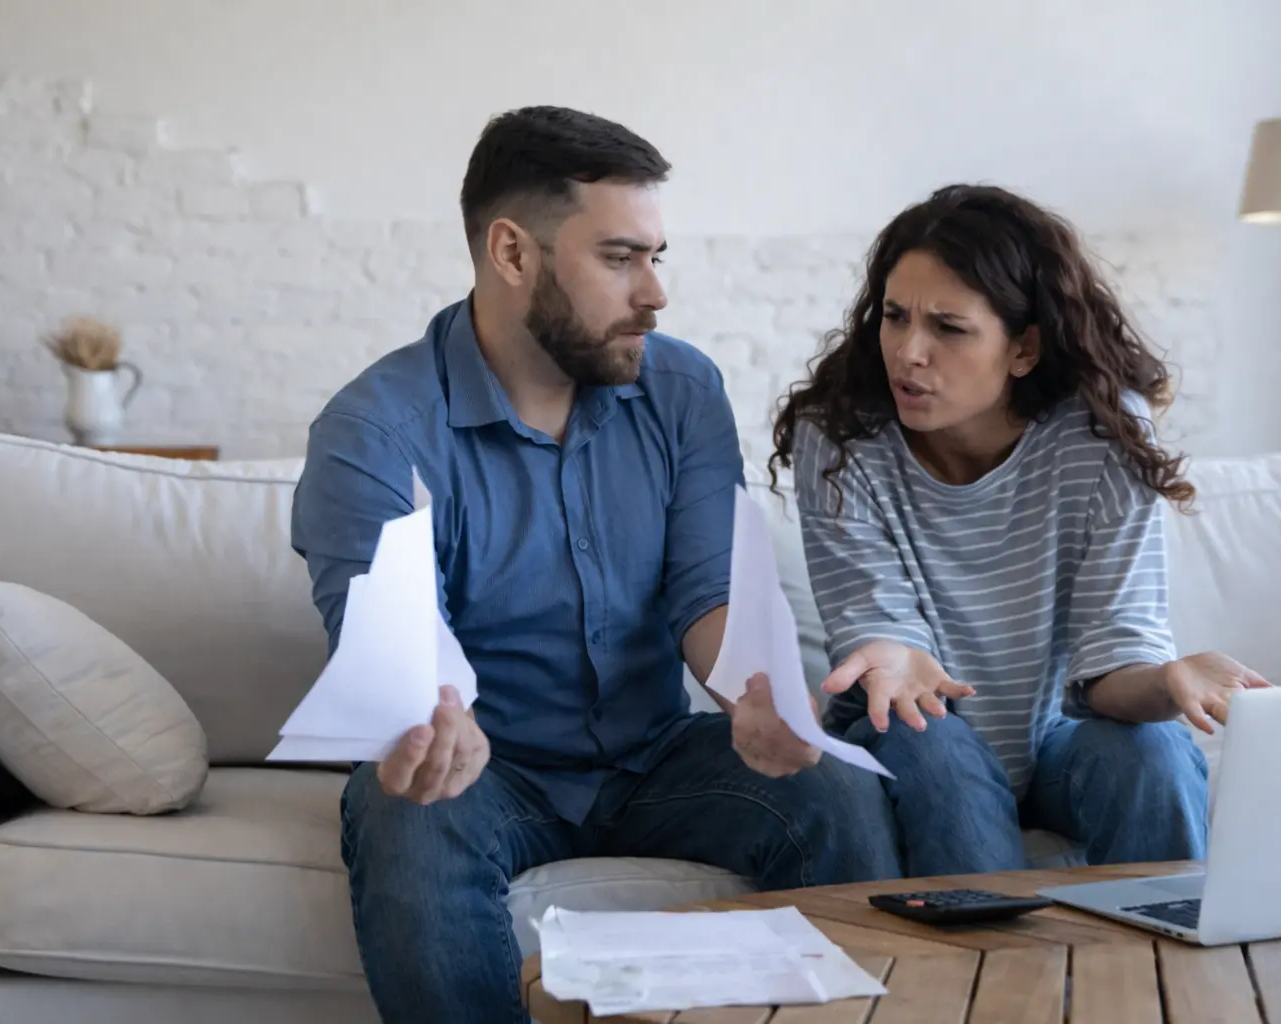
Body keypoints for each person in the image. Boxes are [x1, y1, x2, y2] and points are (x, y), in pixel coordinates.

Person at [289, 105, 901, 1024]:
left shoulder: (682, 388)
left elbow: (706, 589)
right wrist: (429, 717)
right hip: (493, 769)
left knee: (833, 783)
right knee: (405, 809)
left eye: (657, 258)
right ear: (511, 252)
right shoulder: (373, 432)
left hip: (659, 755)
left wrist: (756, 691)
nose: (654, 292)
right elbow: (388, 646)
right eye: (620, 258)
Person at [767, 183, 1270, 878]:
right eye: (894, 316)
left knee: (1149, 749)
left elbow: (1111, 663)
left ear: (1025, 348)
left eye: (948, 327)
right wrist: (889, 651)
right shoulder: (842, 432)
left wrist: (1169, 678)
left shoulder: (1102, 433)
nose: (908, 352)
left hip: (1053, 743)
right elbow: (872, 618)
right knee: (931, 740)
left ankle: (1164, 972)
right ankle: (992, 978)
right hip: (910, 739)